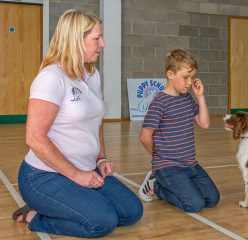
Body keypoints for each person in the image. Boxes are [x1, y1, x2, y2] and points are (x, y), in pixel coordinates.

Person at [12, 9, 143, 238]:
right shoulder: (51, 78)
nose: (102, 43)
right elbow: (34, 138)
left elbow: (96, 122)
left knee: (132, 212)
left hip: (86, 168)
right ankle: (36, 217)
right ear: (76, 40)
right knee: (103, 222)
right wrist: (75, 175)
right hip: (43, 177)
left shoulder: (92, 74)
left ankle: (78, 203)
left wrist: (100, 158)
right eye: (96, 38)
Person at [138, 48, 220, 213]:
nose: (190, 82)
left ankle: (177, 185)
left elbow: (204, 124)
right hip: (168, 167)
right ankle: (156, 186)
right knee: (194, 205)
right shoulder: (160, 102)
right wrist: (158, 156)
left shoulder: (187, 98)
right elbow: (144, 136)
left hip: (190, 164)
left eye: (192, 77)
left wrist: (201, 97)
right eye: (185, 77)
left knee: (212, 199)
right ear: (170, 74)